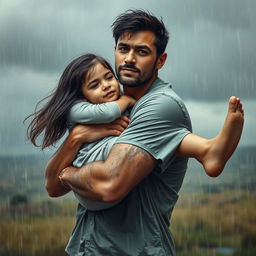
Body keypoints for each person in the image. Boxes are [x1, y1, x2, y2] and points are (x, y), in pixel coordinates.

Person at [43, 10, 244, 255]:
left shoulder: (159, 105)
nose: (128, 59)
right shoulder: (105, 106)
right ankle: (208, 151)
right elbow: (51, 187)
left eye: (141, 51)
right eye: (123, 48)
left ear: (160, 61)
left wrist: (67, 173)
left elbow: (108, 184)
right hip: (89, 247)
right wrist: (75, 138)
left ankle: (210, 151)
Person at [26, 53, 135, 210]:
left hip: (114, 189)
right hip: (90, 178)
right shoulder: (77, 109)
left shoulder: (117, 100)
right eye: (94, 85)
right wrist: (127, 99)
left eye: (109, 77)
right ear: (81, 95)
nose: (106, 85)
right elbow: (108, 113)